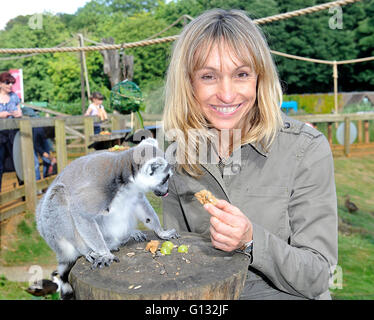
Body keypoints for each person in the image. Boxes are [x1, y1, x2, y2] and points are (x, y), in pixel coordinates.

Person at [162, 9, 338, 300]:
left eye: (241, 74)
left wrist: (251, 240)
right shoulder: (176, 157)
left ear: (259, 78)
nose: (227, 94)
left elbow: (318, 276)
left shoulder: (306, 149)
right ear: (188, 84)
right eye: (209, 76)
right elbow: (179, 257)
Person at [0, 71, 22, 191]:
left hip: (13, 134)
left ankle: (25, 195)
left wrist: (18, 114)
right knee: (0, 166)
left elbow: (19, 111)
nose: (10, 85)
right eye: (7, 82)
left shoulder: (14, 96)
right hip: (0, 136)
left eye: (11, 83)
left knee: (19, 163)